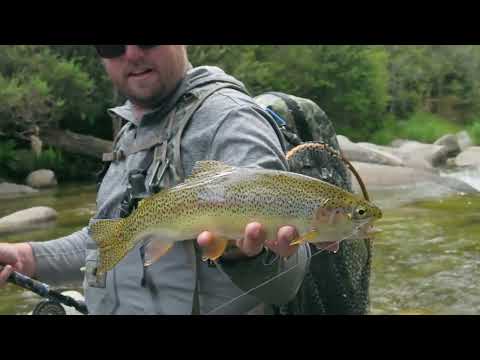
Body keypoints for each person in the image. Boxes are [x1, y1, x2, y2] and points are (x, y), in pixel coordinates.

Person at [0, 45, 316, 315]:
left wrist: (248, 253)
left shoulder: (231, 120)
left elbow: (288, 279)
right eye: (113, 46)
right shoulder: (133, 129)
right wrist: (25, 257)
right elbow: (115, 235)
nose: (133, 54)